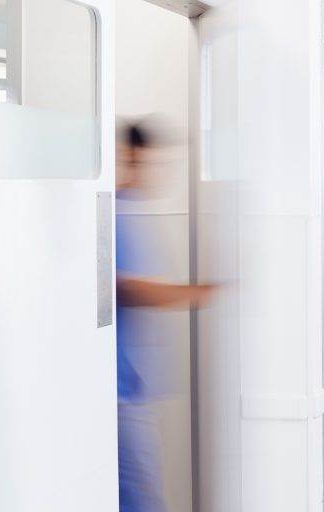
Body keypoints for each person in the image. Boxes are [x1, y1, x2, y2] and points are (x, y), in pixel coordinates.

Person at [116, 119, 214, 512]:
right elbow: (130, 289)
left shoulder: (135, 213)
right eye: (157, 162)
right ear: (135, 157)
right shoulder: (115, 212)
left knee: (139, 492)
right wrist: (203, 292)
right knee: (142, 496)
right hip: (119, 392)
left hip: (135, 387)